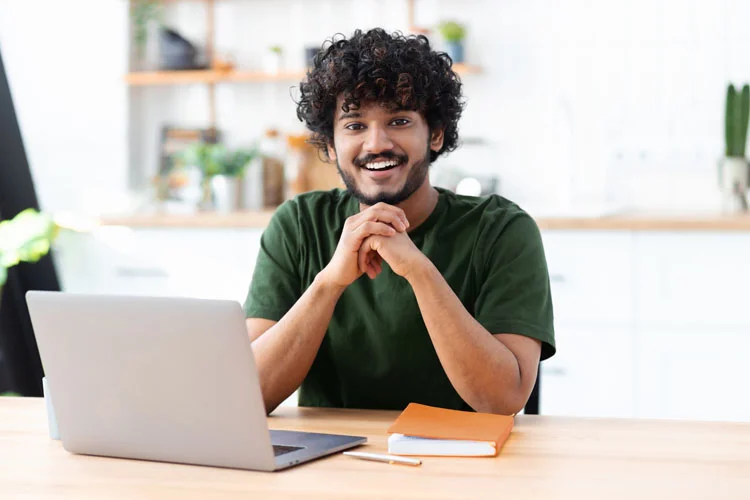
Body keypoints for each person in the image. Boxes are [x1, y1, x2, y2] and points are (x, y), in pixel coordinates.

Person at [244, 28, 555, 415]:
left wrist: (418, 271)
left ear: (436, 134)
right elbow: (248, 395)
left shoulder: (502, 230)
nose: (376, 143)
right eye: (355, 125)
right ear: (329, 145)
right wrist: (330, 282)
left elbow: (503, 400)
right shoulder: (299, 224)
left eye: (399, 121)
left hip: (464, 466)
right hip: (328, 467)